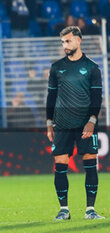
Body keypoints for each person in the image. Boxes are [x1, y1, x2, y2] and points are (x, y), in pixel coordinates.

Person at [46, 26, 103, 220]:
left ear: (79, 41)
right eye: (62, 42)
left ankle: (90, 210)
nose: (65, 45)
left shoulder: (92, 68)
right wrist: (48, 123)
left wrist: (92, 121)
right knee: (60, 164)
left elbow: (97, 98)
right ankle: (64, 210)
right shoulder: (56, 67)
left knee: (90, 163)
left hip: (85, 124)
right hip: (62, 124)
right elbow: (51, 97)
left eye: (68, 41)